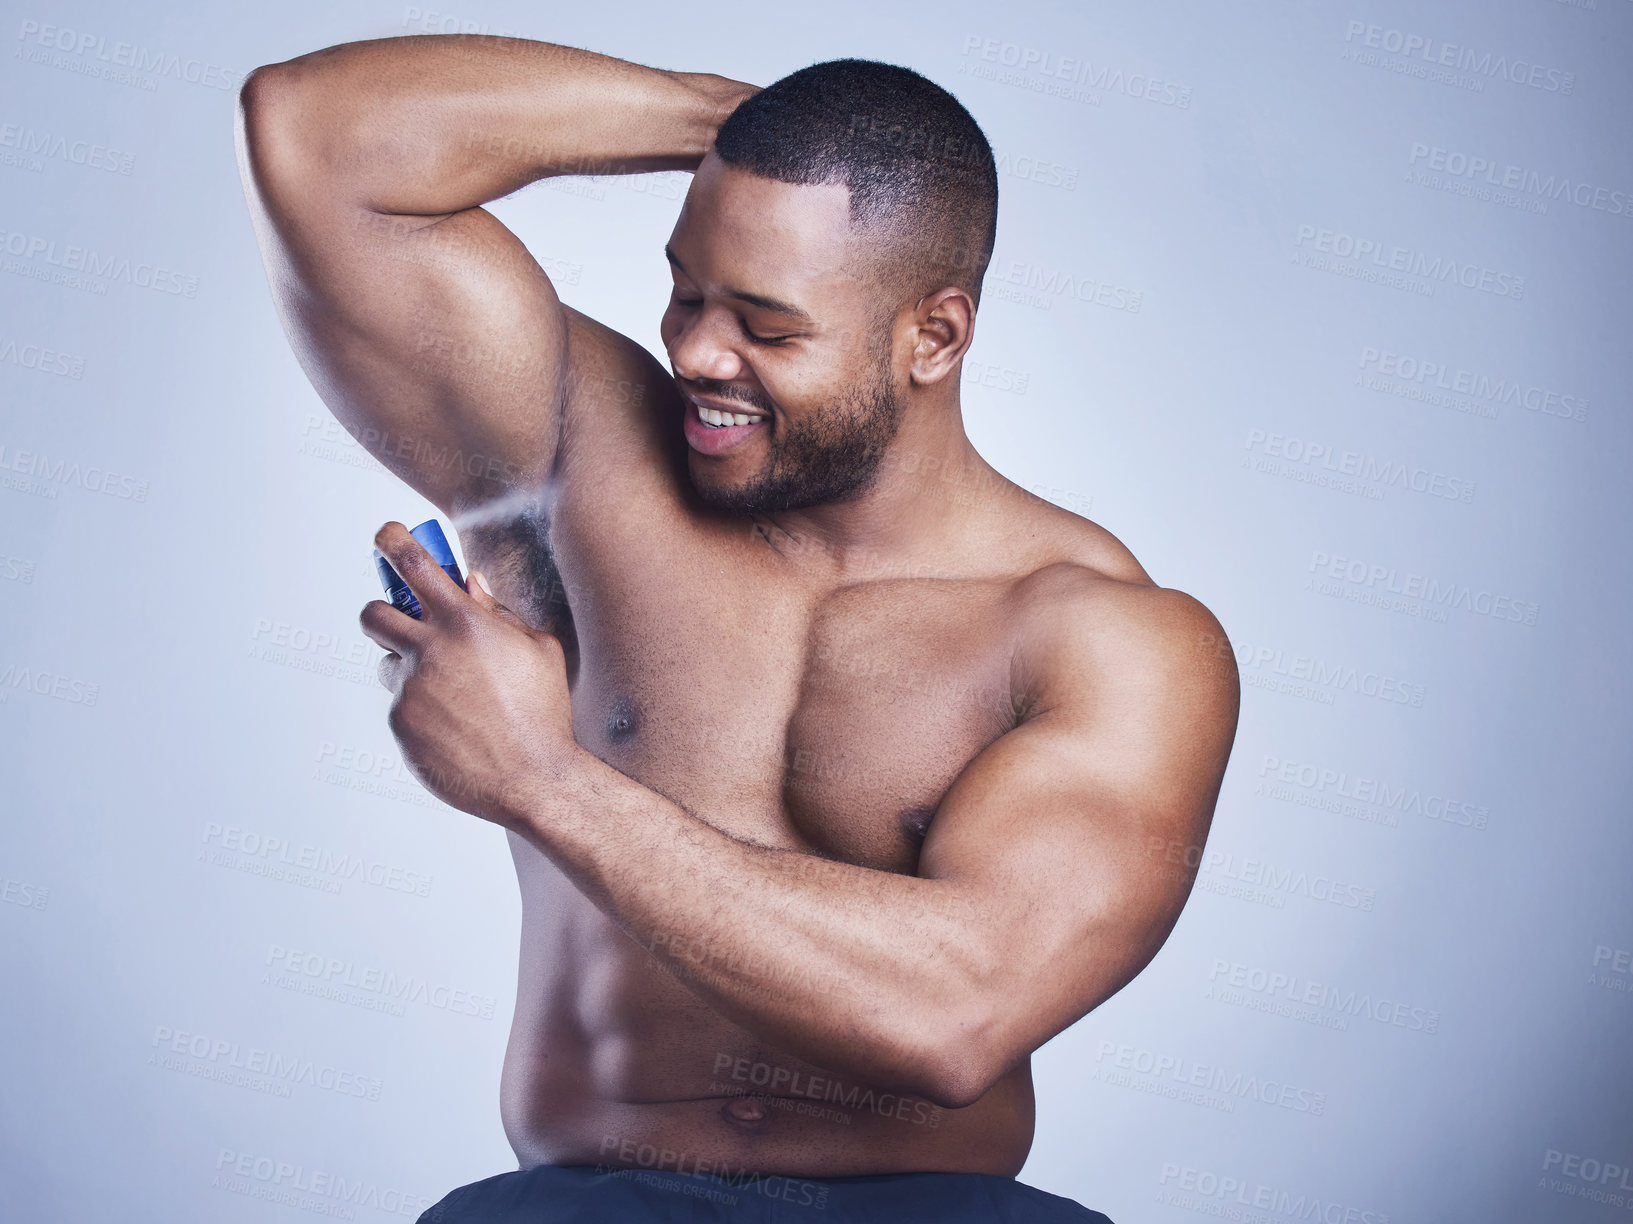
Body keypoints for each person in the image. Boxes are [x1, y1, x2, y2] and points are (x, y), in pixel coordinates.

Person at [236, 35, 1238, 1222]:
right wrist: (733, 125)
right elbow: (314, 133)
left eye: (767, 326)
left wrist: (541, 776)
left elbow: (958, 1013)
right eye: (687, 293)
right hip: (582, 1200)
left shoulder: (1108, 635)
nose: (698, 353)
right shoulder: (572, 453)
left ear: (934, 337)